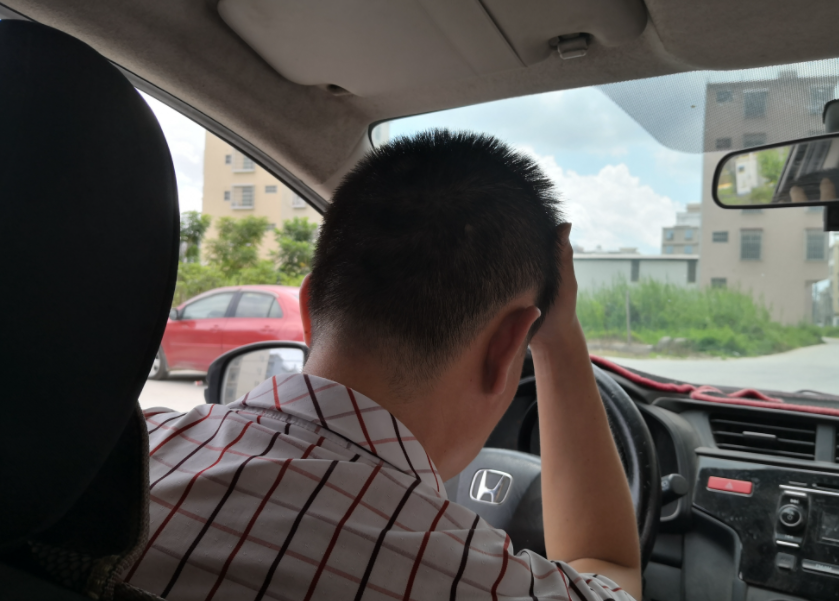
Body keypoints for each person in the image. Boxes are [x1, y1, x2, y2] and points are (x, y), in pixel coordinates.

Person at [126, 130, 641, 600]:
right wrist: (558, 339)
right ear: (509, 347)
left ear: (309, 310)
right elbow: (612, 571)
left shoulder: (128, 452)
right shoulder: (475, 582)